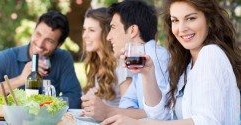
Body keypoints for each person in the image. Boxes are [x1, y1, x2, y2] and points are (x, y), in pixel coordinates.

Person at [101, 0, 241, 125]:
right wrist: (147, 73)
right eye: (175, 20)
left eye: (191, 18)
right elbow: (161, 115)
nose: (182, 28)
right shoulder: (186, 65)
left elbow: (206, 121)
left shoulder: (211, 54)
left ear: (209, 20)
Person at [81, 0, 169, 121]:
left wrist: (107, 111)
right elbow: (127, 102)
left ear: (132, 30)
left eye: (113, 28)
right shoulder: (139, 60)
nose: (108, 36)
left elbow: (161, 115)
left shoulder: (155, 57)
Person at [0, 10, 82, 108]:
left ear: (58, 45)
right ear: (33, 31)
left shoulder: (63, 58)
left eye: (49, 40)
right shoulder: (5, 58)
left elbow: (74, 98)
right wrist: (21, 79)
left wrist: (41, 107)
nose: (40, 44)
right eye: (38, 34)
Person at [80, 7, 133, 117]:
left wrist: (103, 109)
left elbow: (131, 109)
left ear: (106, 33)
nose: (85, 35)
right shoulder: (96, 63)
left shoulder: (121, 63)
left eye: (91, 30)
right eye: (84, 29)